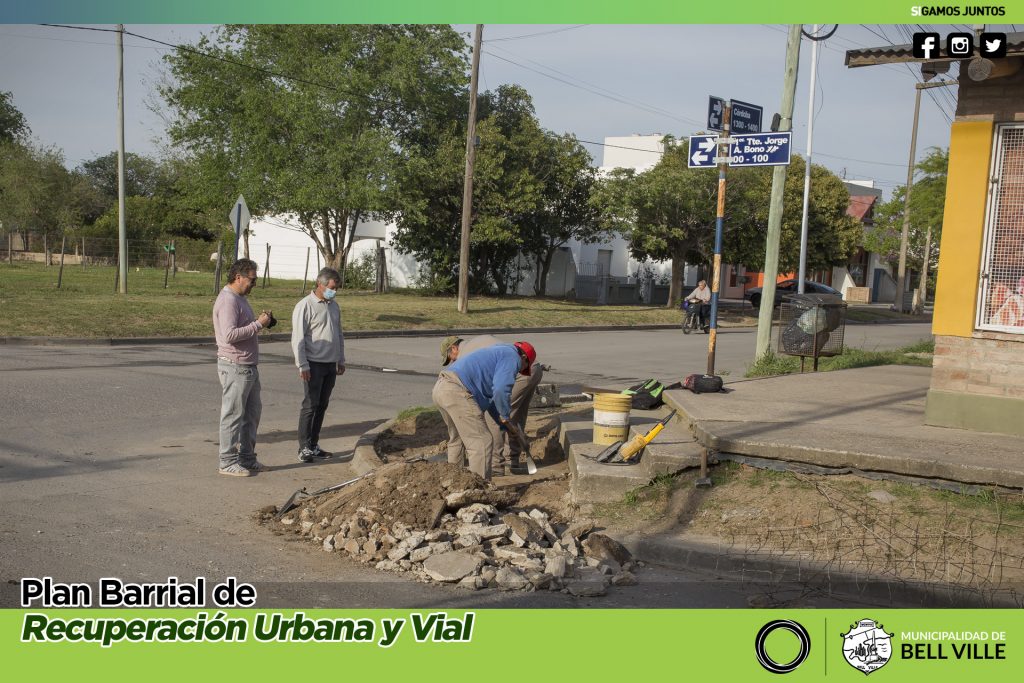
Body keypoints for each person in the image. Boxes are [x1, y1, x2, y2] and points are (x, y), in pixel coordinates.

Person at [432, 341, 537, 480]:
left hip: (441, 388)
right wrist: (505, 415)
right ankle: (480, 491)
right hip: (457, 390)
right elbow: (501, 390)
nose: (519, 371)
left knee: (457, 439)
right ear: (524, 358)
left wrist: (505, 424)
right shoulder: (513, 357)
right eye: (523, 368)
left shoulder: (498, 352)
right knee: (482, 441)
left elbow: (492, 402)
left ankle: (453, 484)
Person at [212, 258, 272, 477]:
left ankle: (246, 458)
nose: (254, 285)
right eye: (252, 280)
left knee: (252, 414)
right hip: (235, 366)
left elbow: (241, 328)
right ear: (238, 277)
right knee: (233, 416)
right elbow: (229, 335)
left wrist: (259, 322)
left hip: (248, 366)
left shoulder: (240, 298)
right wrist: (258, 325)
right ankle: (227, 461)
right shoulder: (228, 300)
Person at [291, 267, 346, 462]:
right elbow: (298, 337)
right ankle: (304, 447)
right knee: (310, 405)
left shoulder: (333, 305)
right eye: (332, 287)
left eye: (337, 288)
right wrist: (302, 364)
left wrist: (340, 358)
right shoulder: (305, 306)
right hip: (313, 364)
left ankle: (314, 444)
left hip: (331, 364)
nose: (334, 291)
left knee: (322, 405)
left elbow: (338, 334)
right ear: (320, 285)